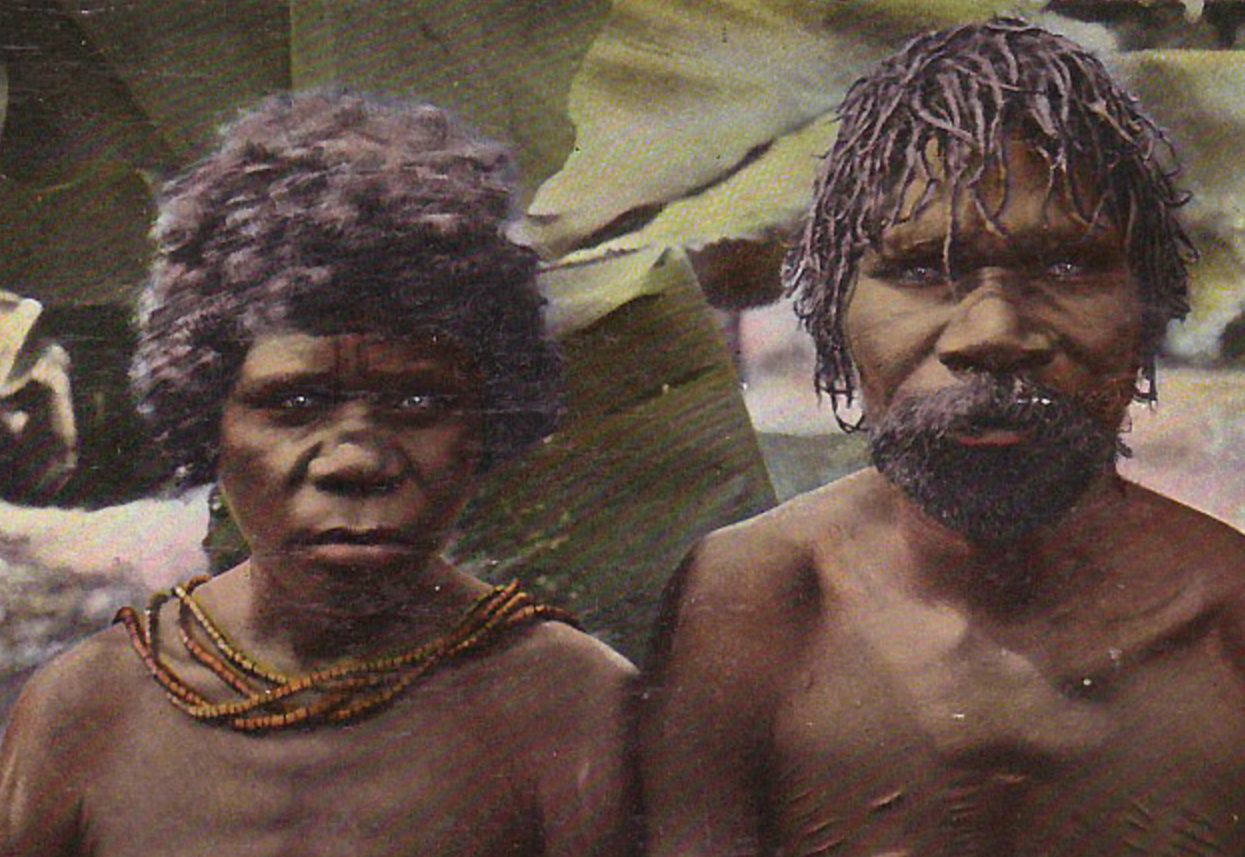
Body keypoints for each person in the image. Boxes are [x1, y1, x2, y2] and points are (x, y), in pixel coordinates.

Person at [640, 18, 1245, 856]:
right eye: (922, 269)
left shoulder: (1230, 617)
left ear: (1148, 307)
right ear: (830, 310)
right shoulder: (756, 599)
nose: (992, 332)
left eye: (1066, 265)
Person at [0, 91, 636, 856]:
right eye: (295, 403)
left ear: (485, 420)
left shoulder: (572, 705)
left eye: (418, 401)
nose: (356, 460)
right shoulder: (87, 708)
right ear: (209, 418)